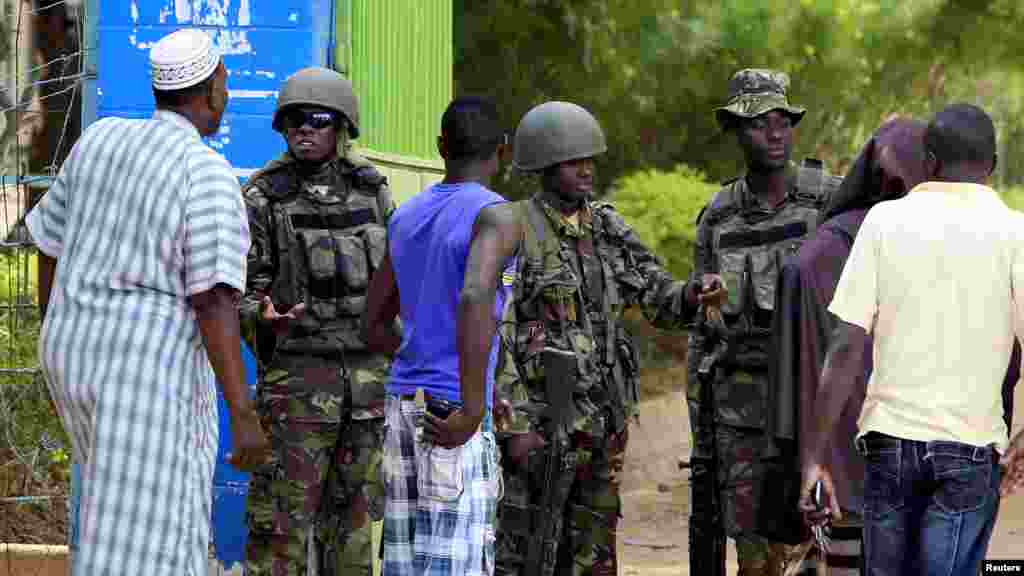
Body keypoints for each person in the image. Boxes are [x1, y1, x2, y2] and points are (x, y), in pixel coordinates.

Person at [26, 28, 269, 575]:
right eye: (224, 83)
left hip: (74, 358)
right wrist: (243, 413)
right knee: (149, 536)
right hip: (140, 375)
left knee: (114, 510)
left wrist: (54, 336)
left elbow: (47, 243)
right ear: (210, 92)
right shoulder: (204, 173)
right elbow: (213, 302)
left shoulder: (101, 138)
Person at [489, 100, 720, 576]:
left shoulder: (608, 228)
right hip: (542, 425)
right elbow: (498, 330)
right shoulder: (516, 228)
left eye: (589, 160)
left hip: (602, 425)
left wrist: (693, 294)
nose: (586, 171)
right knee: (529, 550)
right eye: (573, 162)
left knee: (594, 553)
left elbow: (659, 297)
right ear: (544, 165)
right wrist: (513, 425)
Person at [800, 103, 1019, 575]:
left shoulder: (883, 222)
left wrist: (815, 458)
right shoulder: (1015, 233)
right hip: (970, 448)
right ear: (993, 166)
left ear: (931, 161)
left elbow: (844, 346)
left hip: (890, 448)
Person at [688, 68, 842, 576]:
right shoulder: (718, 217)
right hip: (742, 409)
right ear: (736, 130)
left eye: (783, 122)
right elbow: (702, 329)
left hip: (812, 403)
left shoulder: (828, 199)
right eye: (759, 124)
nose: (775, 134)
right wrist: (701, 429)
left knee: (820, 543)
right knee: (753, 553)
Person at [240, 66, 393, 576]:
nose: (303, 129)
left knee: (351, 532)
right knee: (281, 532)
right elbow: (240, 291)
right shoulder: (264, 196)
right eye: (292, 122)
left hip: (366, 392)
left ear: (343, 126)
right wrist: (262, 319)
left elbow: (396, 281)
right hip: (297, 390)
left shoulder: (372, 191)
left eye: (318, 119)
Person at [362, 96, 513, 576]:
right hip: (455, 417)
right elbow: (475, 298)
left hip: (403, 407)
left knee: (405, 564)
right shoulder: (498, 216)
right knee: (458, 564)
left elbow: (373, 324)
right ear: (502, 152)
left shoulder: (406, 215)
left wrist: (415, 356)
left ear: (440, 146)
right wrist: (472, 405)